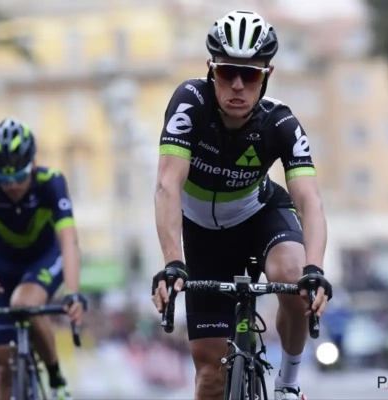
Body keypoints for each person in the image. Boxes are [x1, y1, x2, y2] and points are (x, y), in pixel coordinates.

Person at [151, 10, 333, 400]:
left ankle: (288, 383)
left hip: (259, 215)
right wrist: (172, 262)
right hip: (202, 234)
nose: (237, 85)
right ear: (210, 69)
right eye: (227, 72)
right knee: (210, 376)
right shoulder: (189, 103)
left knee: (293, 276)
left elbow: (309, 199)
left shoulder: (280, 123)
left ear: (266, 76)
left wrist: (315, 269)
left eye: (249, 75)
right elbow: (167, 184)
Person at [0, 118, 87, 400]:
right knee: (0, 363)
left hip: (45, 259)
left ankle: (56, 378)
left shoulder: (51, 182)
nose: (11, 185)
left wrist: (72, 292)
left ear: (33, 163)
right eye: (3, 179)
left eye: (19, 177)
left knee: (24, 302)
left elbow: (69, 243)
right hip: (0, 270)